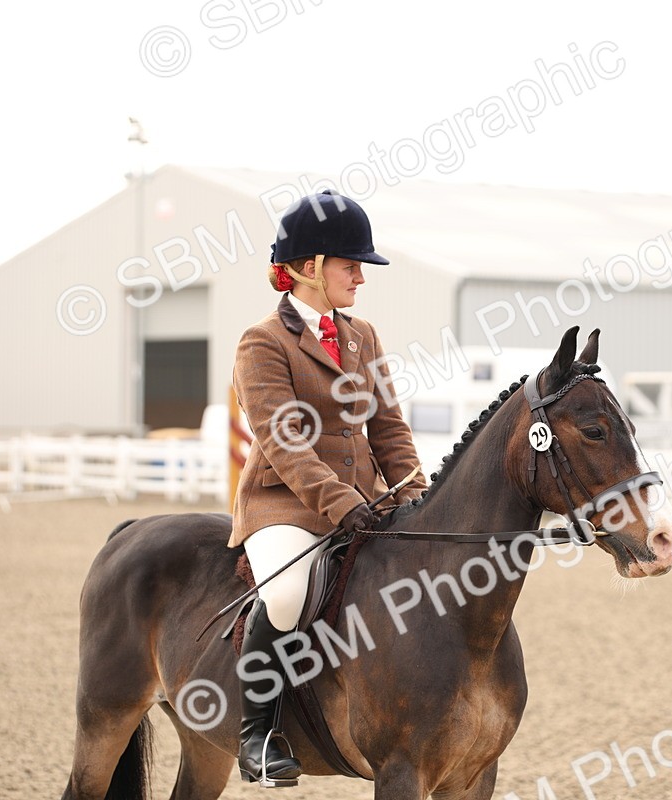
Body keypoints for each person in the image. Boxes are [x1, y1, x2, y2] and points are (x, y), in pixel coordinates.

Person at [228, 189, 428, 784]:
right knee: (288, 593)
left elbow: (389, 429)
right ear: (309, 267)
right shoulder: (262, 342)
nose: (360, 277)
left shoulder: (362, 335)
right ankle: (257, 737)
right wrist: (344, 504)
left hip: (364, 506)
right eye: (350, 265)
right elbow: (285, 442)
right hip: (284, 506)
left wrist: (416, 497)